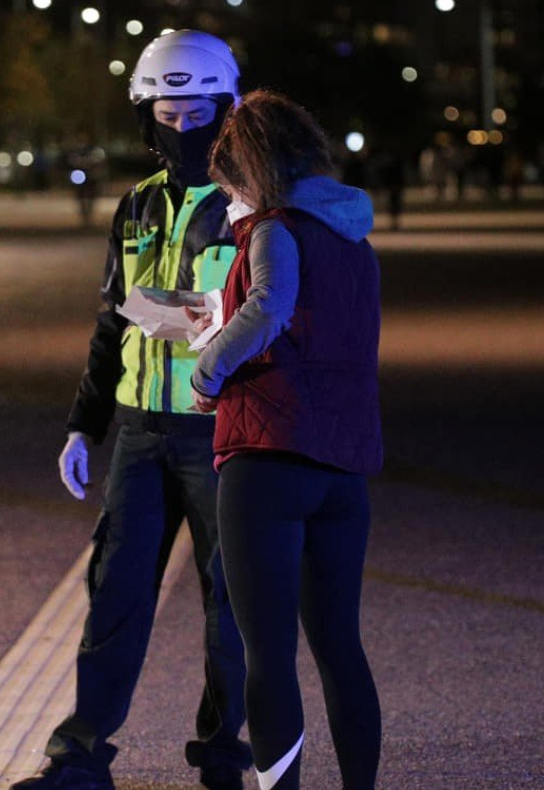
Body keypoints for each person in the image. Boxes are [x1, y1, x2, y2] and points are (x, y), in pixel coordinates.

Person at [14, 30, 251, 790]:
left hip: (223, 435)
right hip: (140, 436)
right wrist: (83, 426)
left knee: (231, 606)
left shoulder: (252, 207)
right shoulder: (138, 204)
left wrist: (171, 313)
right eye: (167, 116)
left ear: (228, 112)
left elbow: (263, 318)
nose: (182, 130)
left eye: (197, 115)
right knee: (113, 595)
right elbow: (113, 323)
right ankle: (79, 759)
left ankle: (223, 756)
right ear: (146, 117)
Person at [190, 89, 383, 790]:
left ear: (254, 170)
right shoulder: (357, 243)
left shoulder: (276, 229)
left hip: (267, 461)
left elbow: (270, 306)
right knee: (340, 648)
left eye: (232, 185)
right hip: (343, 467)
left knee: (268, 656)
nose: (231, 202)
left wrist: (208, 371)